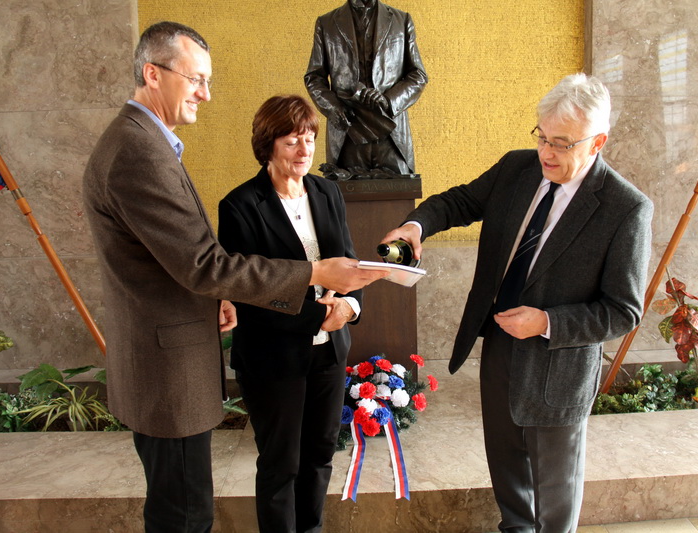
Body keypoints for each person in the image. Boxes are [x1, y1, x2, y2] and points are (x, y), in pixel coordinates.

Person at [82, 22, 385, 532]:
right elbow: (207, 265)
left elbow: (178, 262)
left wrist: (345, 305)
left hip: (216, 354)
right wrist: (312, 272)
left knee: (195, 506)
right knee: (185, 515)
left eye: (209, 80)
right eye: (196, 78)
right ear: (152, 74)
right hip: (174, 370)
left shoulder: (149, 144)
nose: (206, 93)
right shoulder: (138, 151)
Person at [381, 74, 653, 533]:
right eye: (542, 137)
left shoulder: (625, 208)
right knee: (505, 464)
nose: (546, 152)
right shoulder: (517, 169)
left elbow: (623, 310)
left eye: (562, 143)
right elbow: (459, 201)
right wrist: (416, 225)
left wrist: (547, 322)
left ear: (597, 142)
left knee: (553, 486)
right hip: (500, 344)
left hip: (558, 366)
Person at [217, 94, 359, 533]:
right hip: (271, 355)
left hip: (329, 352)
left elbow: (347, 263)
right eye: (292, 140)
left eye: (311, 139)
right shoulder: (240, 206)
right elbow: (247, 292)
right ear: (268, 143)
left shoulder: (326, 191)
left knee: (319, 455)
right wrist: (317, 317)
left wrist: (350, 307)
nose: (304, 150)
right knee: (282, 463)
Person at [304, 0, 427, 179]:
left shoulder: (402, 20)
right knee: (343, 199)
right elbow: (314, 77)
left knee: (399, 198)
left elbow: (418, 75)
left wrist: (389, 101)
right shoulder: (327, 23)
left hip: (391, 136)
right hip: (348, 133)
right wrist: (333, 109)